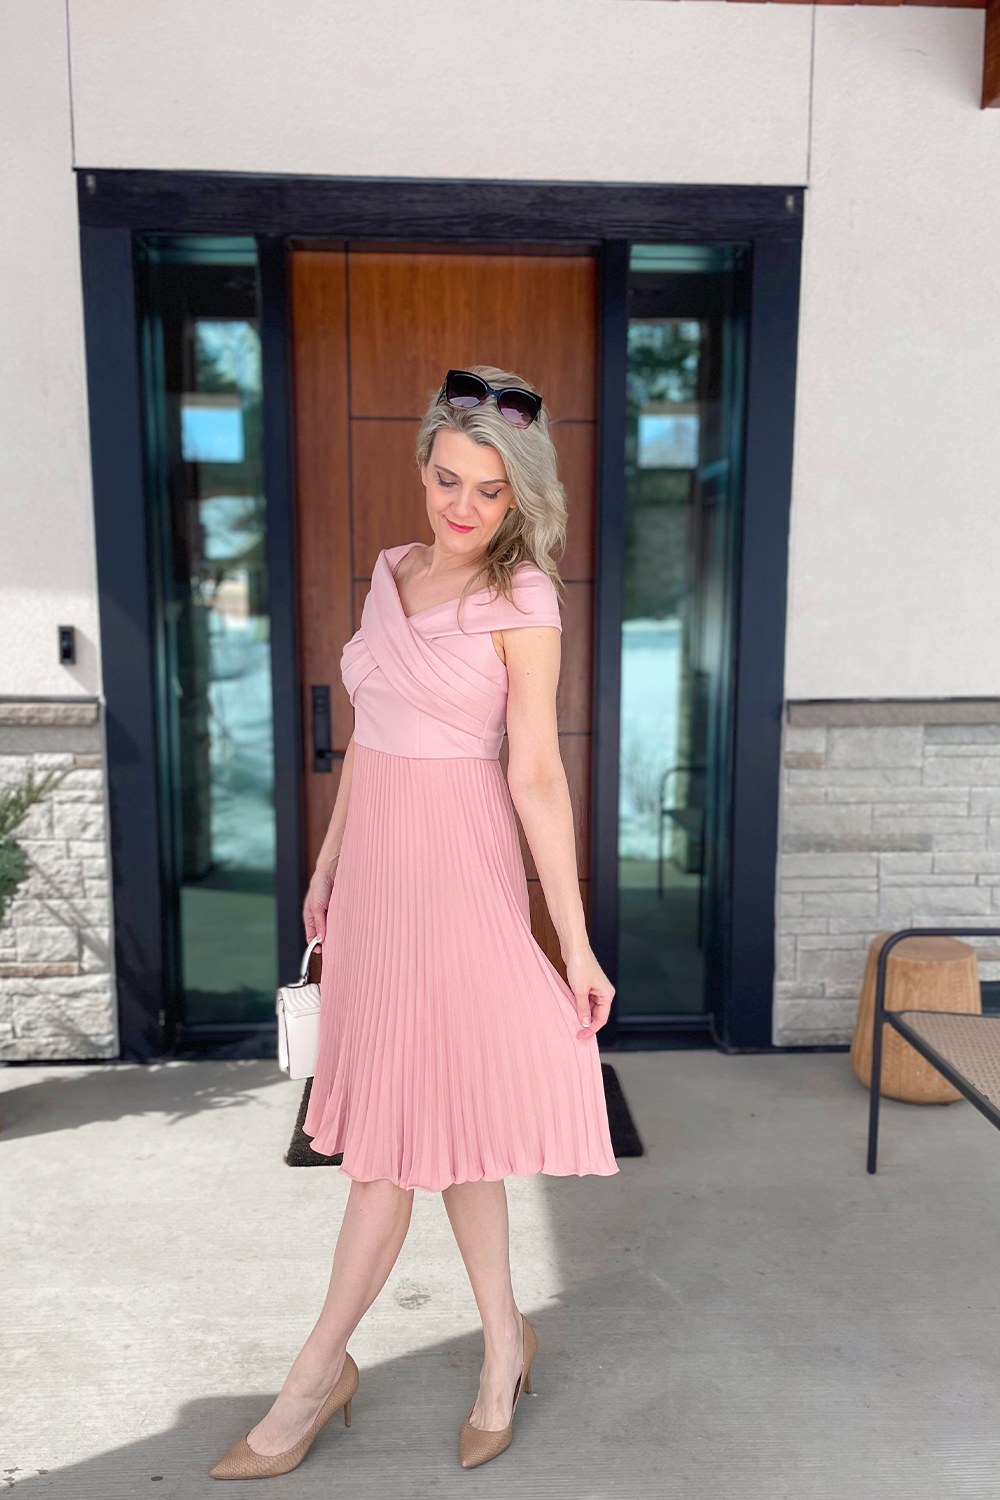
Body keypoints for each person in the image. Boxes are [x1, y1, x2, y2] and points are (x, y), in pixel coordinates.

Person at [210, 365, 618, 1481]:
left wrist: (573, 942)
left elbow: (536, 775)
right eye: (447, 479)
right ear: (423, 468)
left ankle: (312, 1380)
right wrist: (329, 860)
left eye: (490, 489)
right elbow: (369, 736)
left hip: (460, 876)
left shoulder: (524, 600)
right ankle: (504, 1344)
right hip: (379, 885)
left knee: (393, 1146)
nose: (463, 506)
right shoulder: (390, 573)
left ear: (520, 494)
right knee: (451, 1128)